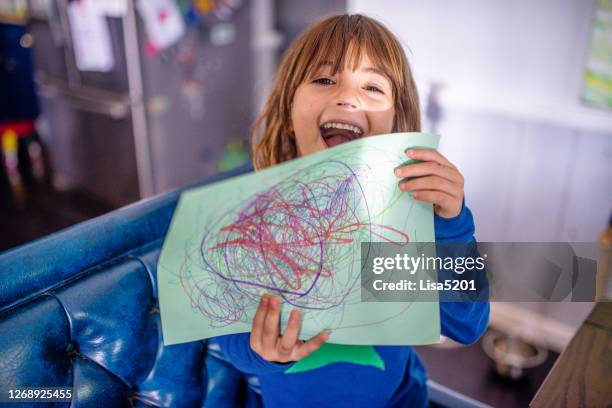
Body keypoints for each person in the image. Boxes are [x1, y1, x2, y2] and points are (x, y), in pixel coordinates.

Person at [207, 14, 489, 407]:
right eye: (324, 80)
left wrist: (451, 226)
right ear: (289, 116)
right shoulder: (254, 222)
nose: (348, 97)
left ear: (394, 125)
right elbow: (231, 341)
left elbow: (465, 323)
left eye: (372, 87)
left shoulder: (401, 222)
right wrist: (261, 349)